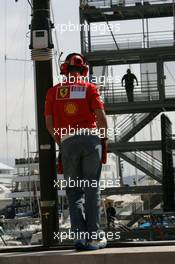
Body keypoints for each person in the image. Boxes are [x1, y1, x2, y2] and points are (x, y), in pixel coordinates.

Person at [44, 53, 108, 250]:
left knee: (73, 192)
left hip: (67, 141)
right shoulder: (89, 88)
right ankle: (94, 237)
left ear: (64, 70)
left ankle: (79, 238)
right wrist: (103, 138)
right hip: (90, 139)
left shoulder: (53, 92)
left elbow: (49, 123)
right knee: (91, 189)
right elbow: (100, 116)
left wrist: (62, 141)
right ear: (84, 71)